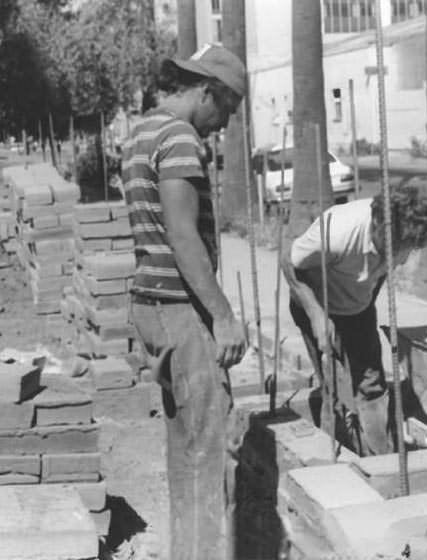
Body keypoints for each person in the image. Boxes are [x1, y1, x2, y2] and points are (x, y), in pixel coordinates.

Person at [122, 44, 247, 560]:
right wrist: (223, 316)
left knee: (185, 448)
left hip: (151, 305)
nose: (224, 123)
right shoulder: (179, 137)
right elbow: (183, 235)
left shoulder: (141, 131)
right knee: (206, 456)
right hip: (180, 309)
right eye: (227, 110)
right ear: (206, 92)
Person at [282, 185, 427, 455]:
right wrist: (317, 316)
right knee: (334, 384)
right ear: (379, 228)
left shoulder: (397, 235)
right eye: (401, 248)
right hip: (319, 307)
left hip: (358, 310)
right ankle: (335, 450)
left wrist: (365, 304)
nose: (403, 259)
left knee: (371, 384)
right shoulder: (338, 231)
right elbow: (289, 263)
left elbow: (376, 278)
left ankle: (380, 458)